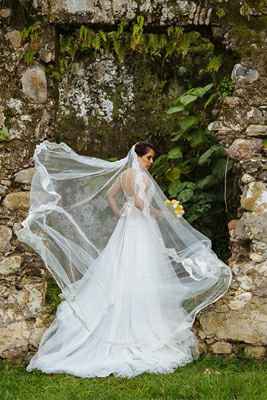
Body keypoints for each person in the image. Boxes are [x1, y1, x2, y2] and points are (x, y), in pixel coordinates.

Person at [17, 140, 232, 378]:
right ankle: (139, 329)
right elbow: (141, 203)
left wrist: (121, 212)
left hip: (128, 224)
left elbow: (111, 196)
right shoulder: (139, 176)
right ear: (138, 156)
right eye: (148, 157)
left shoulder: (123, 175)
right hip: (140, 226)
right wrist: (160, 213)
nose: (151, 162)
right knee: (141, 267)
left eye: (152, 158)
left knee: (124, 266)